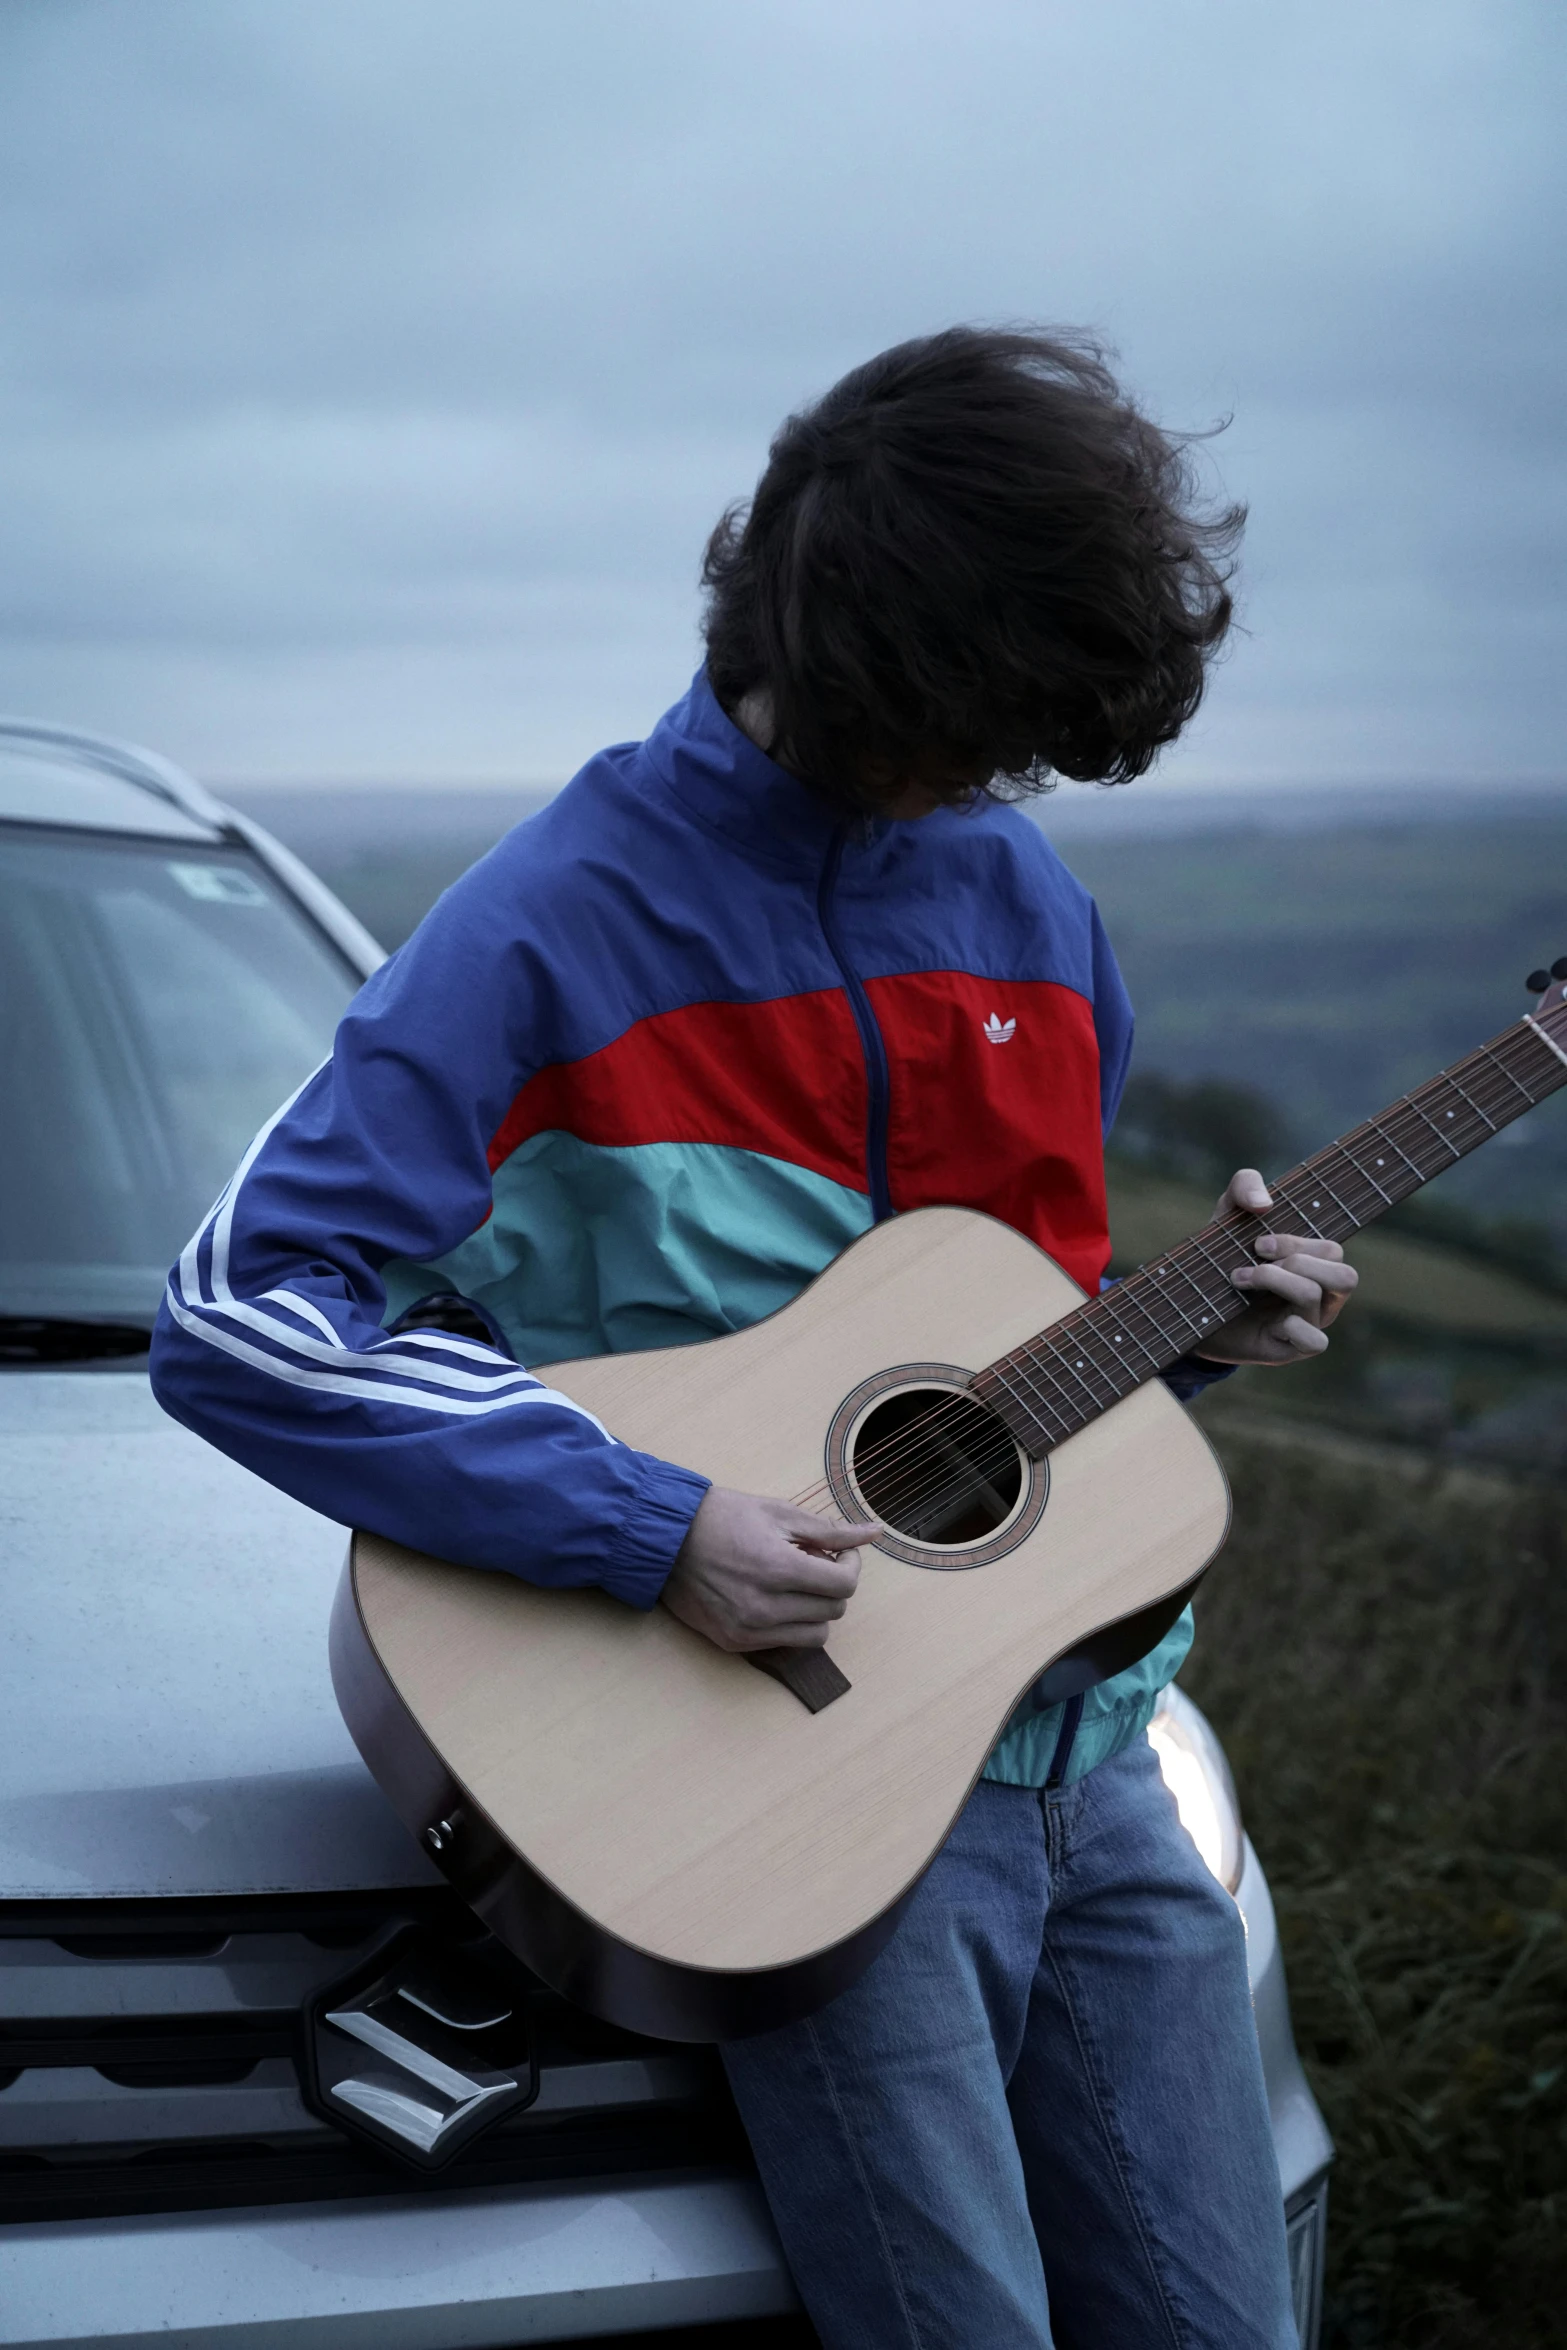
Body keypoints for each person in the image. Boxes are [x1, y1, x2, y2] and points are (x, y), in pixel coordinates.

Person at [150, 327, 1357, 2348]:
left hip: (1104, 1752)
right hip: (811, 1799)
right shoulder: (546, 923)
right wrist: (649, 1523)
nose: (1001, 776)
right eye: (981, 722)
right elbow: (240, 1318)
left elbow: (1008, 1362)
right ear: (869, 647)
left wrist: (1203, 1333)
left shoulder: (1035, 915)